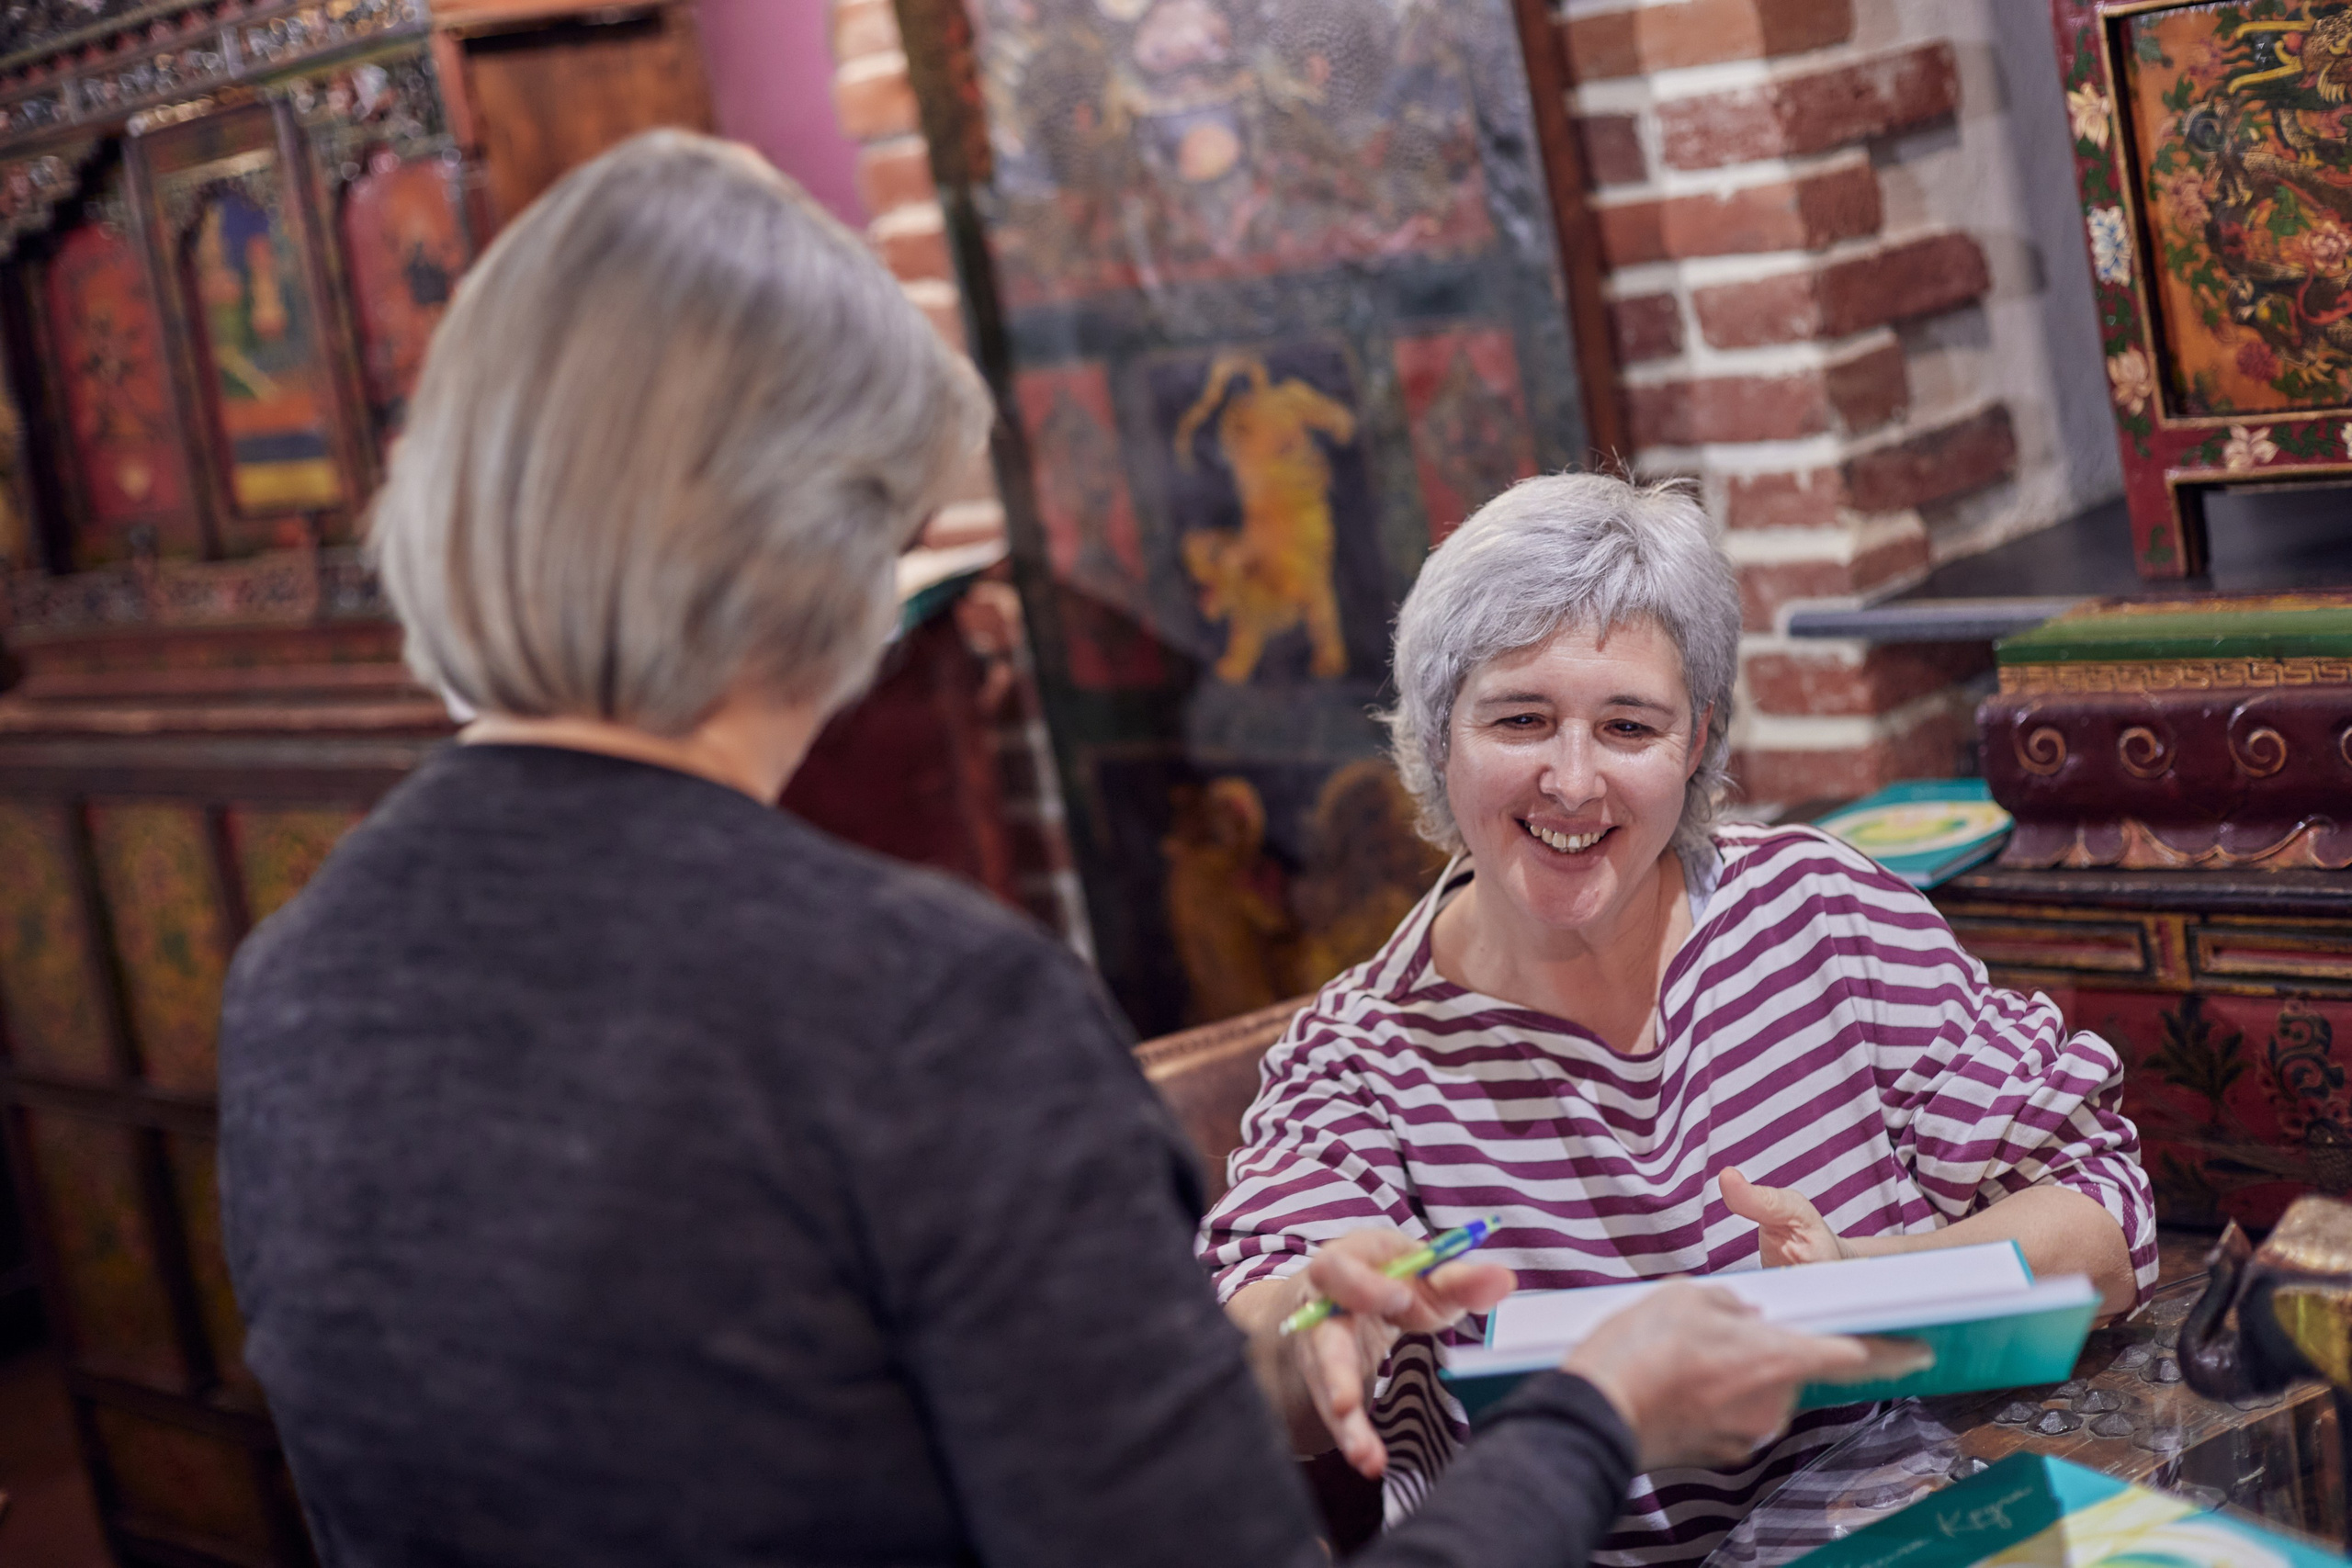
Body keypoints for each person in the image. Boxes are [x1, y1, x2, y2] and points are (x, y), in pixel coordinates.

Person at [214, 133, 1896, 1568]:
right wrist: (1604, 1416)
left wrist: (1269, 1341)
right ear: (806, 552)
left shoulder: (294, 980)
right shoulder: (921, 1007)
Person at [1206, 474, 2162, 1567]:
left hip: (1911, 1534)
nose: (1572, 782)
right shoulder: (1360, 1058)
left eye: (1629, 725)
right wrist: (1312, 1332)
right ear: (1437, 737)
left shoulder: (1822, 912)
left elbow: (2101, 1220)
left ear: (1697, 740)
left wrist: (1865, 1281)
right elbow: (1247, 1364)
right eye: (1519, 718)